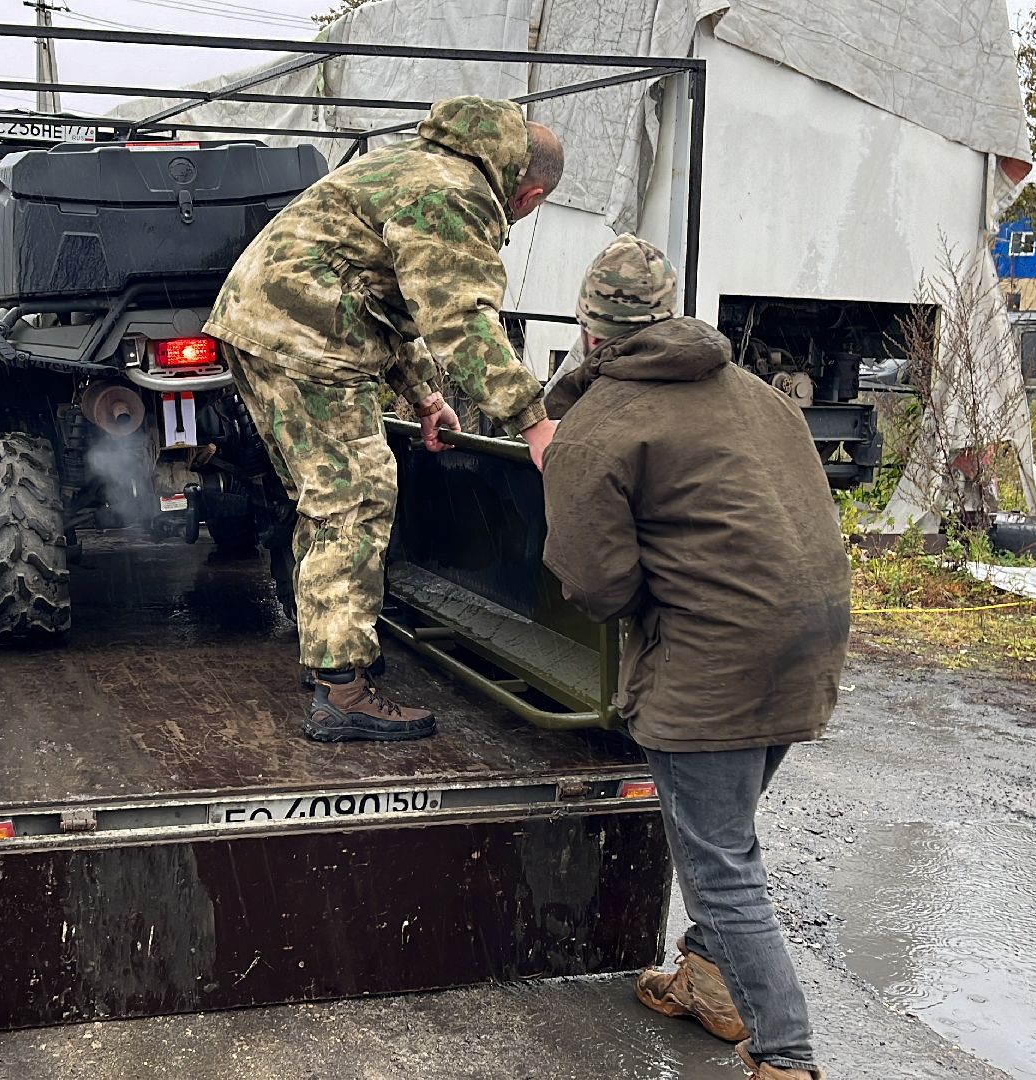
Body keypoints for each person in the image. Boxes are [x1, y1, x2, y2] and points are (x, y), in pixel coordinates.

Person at [539, 234, 850, 1080]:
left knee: (720, 867)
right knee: (726, 833)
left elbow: (598, 587)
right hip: (810, 641)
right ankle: (710, 983)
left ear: (589, 328)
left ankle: (787, 1056)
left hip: (715, 660)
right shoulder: (756, 392)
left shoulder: (593, 429)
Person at [206, 96, 563, 742]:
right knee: (355, 495)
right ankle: (342, 692)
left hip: (265, 323)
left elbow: (388, 300)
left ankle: (331, 658)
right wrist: (533, 422)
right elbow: (461, 318)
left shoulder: (415, 166)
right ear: (529, 193)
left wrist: (425, 396)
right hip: (306, 336)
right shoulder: (457, 194)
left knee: (325, 500)